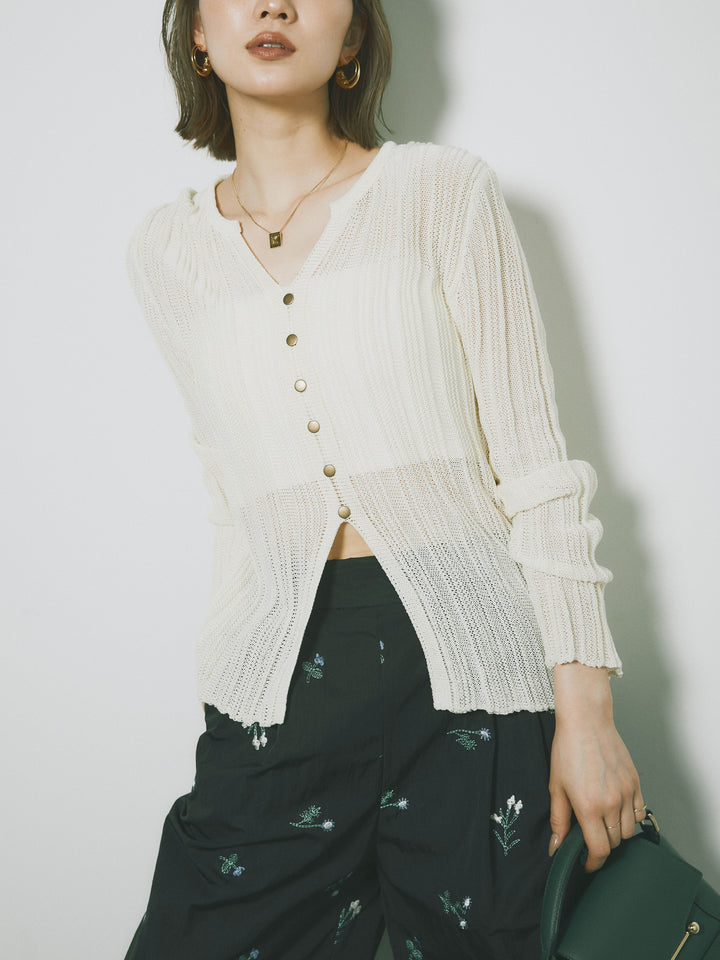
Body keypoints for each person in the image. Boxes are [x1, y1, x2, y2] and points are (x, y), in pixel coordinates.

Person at [123, 1, 645, 958]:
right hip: (283, 677)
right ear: (196, 30)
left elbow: (535, 466)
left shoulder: (440, 192)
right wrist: (229, 678)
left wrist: (588, 713)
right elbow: (231, 493)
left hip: (470, 672)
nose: (275, 4)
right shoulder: (166, 252)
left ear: (356, 36)